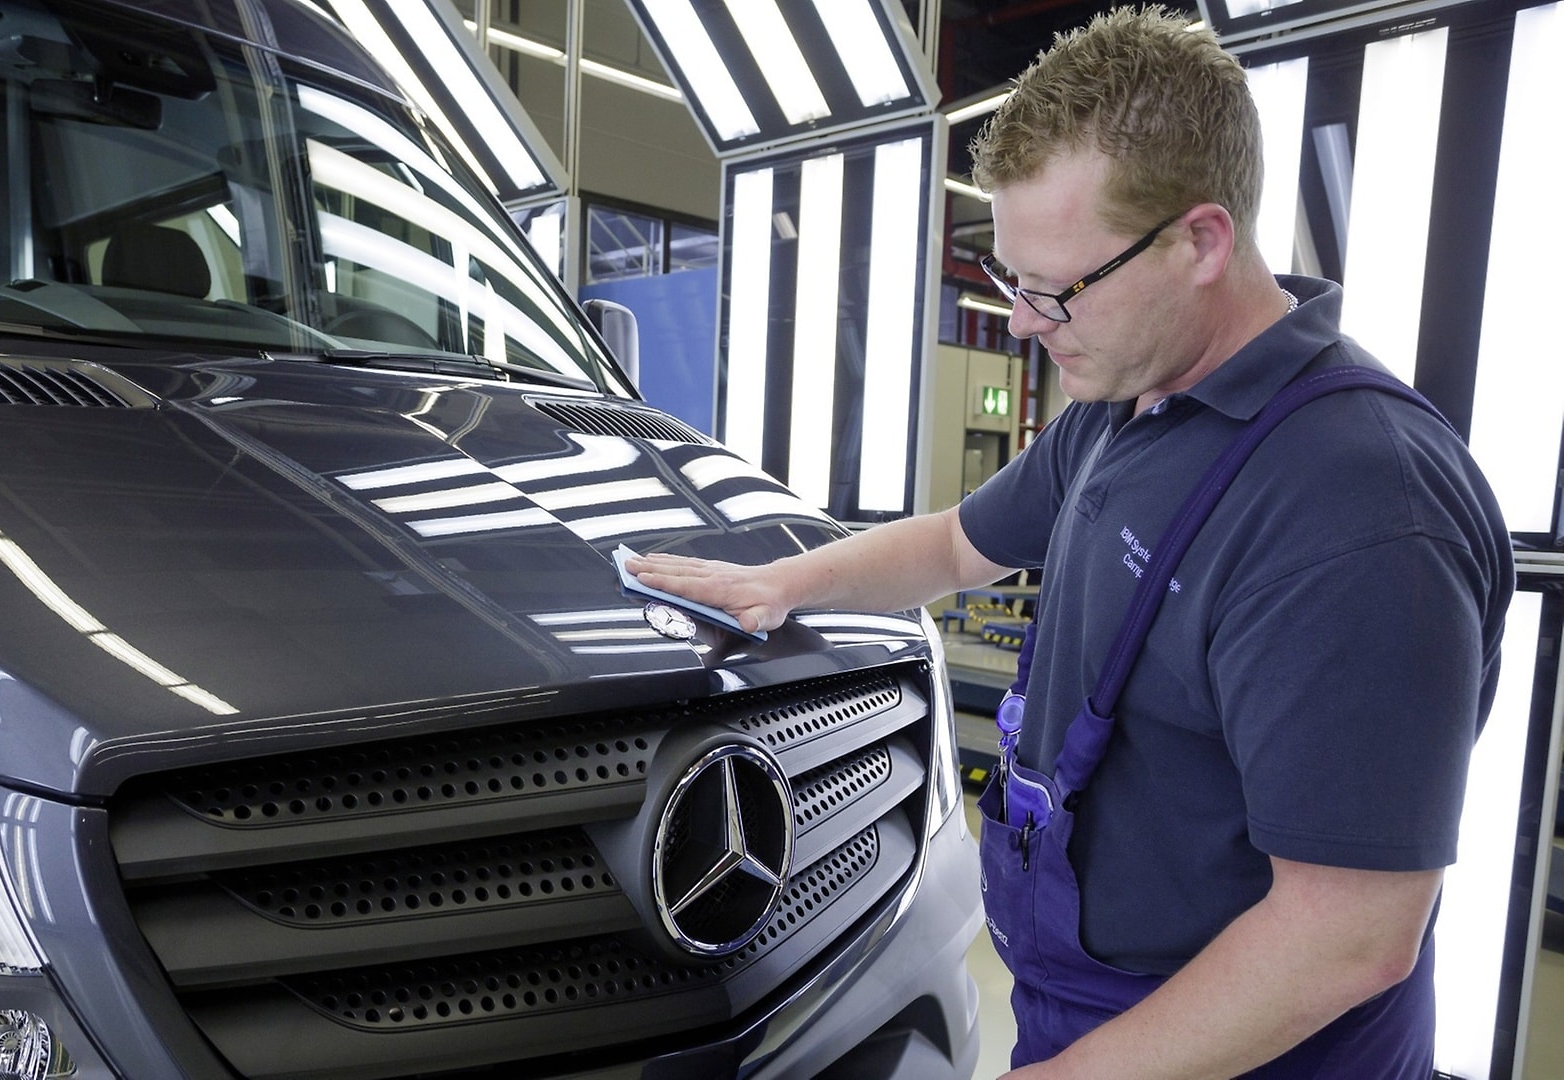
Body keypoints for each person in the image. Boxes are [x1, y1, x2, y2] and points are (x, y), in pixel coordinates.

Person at [627, 7, 1513, 1077]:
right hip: (1090, 1013)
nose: (1021, 323)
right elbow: (960, 545)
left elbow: (1348, 938)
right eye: (1010, 279)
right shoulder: (1127, 402)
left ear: (1200, 241)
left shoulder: (1356, 513)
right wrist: (784, 584)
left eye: (1052, 289)